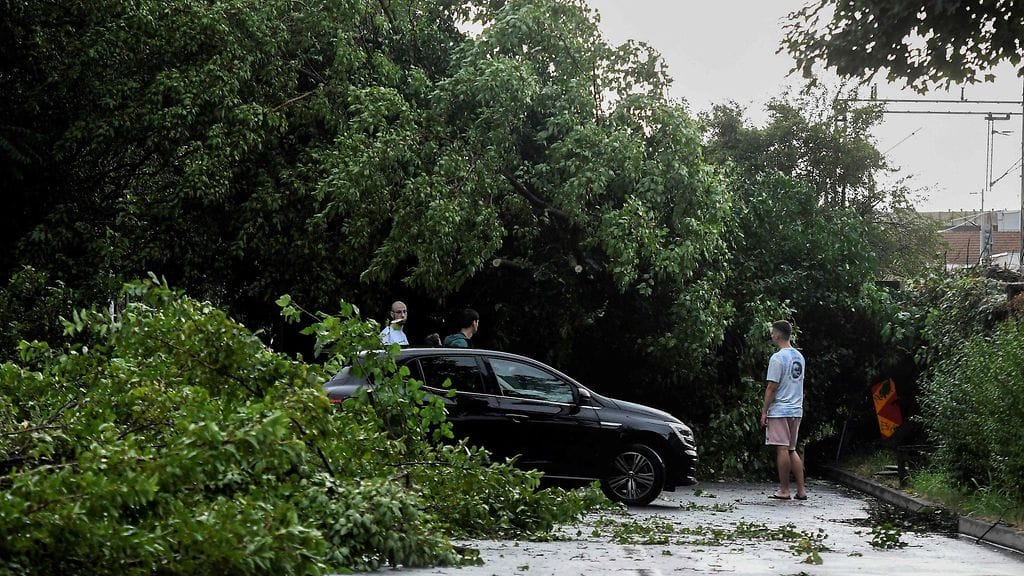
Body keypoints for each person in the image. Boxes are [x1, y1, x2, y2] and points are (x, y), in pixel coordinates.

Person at [761, 320, 807, 501]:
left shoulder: (778, 358)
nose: (771, 335)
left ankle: (784, 489)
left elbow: (772, 387)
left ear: (778, 334)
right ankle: (801, 490)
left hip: (780, 409)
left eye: (773, 332)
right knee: (791, 448)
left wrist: (764, 411)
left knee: (781, 449)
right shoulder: (799, 357)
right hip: (796, 409)